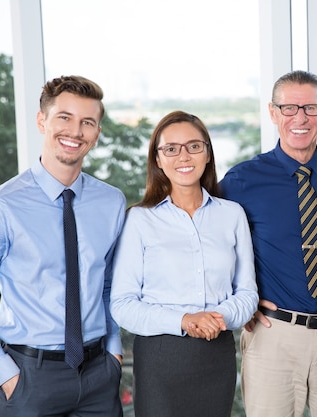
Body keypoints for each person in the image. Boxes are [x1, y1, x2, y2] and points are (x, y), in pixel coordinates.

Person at [0, 75, 125, 416]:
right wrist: (6, 377)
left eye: (87, 122)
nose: (75, 132)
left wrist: (113, 353)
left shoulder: (111, 202)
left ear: (96, 133)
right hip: (28, 378)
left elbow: (106, 286)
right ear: (41, 120)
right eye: (65, 117)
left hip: (98, 377)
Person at [220, 70, 317, 417]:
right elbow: (212, 246)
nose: (299, 118)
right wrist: (238, 300)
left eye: (310, 108)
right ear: (273, 113)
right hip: (274, 335)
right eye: (288, 108)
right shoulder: (241, 180)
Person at [109, 110, 259, 417]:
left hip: (216, 352)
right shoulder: (140, 219)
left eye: (194, 146)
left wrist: (217, 317)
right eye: (171, 149)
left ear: (207, 154)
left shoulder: (232, 215)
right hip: (160, 358)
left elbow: (247, 293)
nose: (183, 156)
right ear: (158, 160)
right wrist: (185, 320)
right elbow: (122, 304)